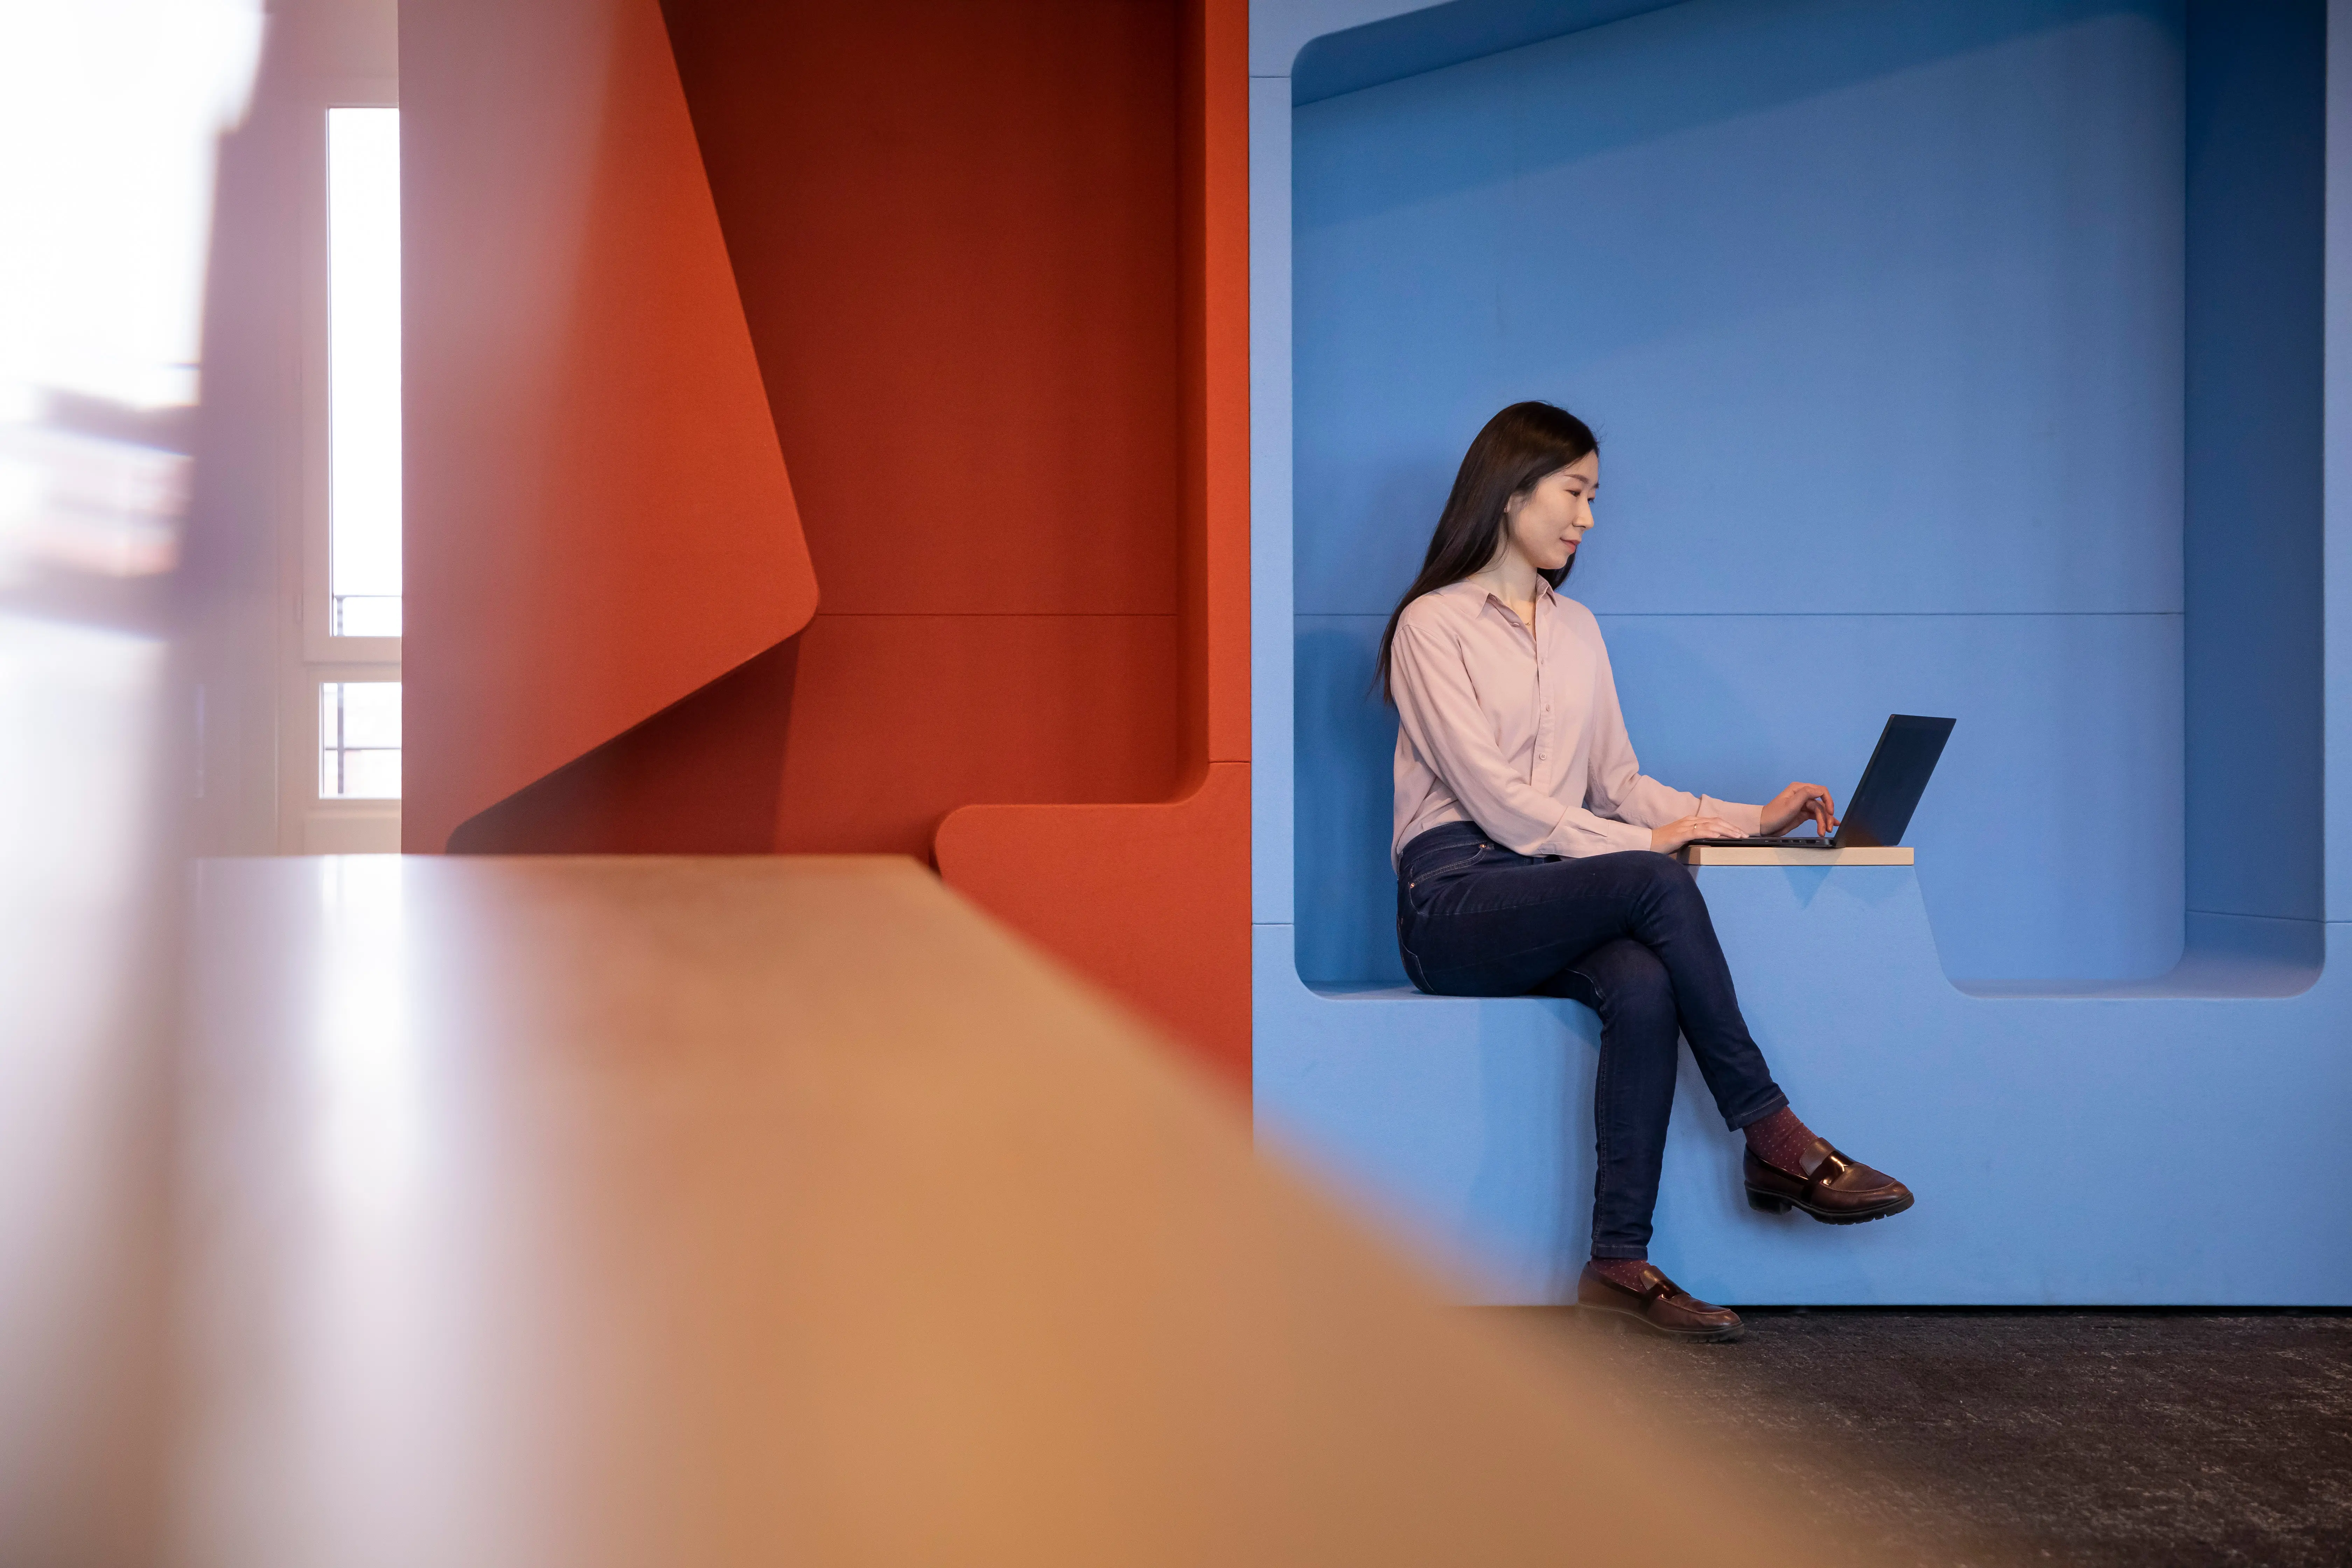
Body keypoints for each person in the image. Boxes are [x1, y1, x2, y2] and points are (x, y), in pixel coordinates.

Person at [1378, 401, 1912, 1343]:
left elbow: (1621, 784)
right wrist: (1646, 852)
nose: (1589, 519)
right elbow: (1498, 804)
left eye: (1594, 498)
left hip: (1546, 885)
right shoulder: (1433, 626)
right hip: (1453, 897)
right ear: (1510, 494)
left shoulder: (1578, 628)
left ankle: (1618, 1260)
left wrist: (1753, 818)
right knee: (1654, 883)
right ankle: (1775, 1136)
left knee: (1641, 976)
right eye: (1575, 493)